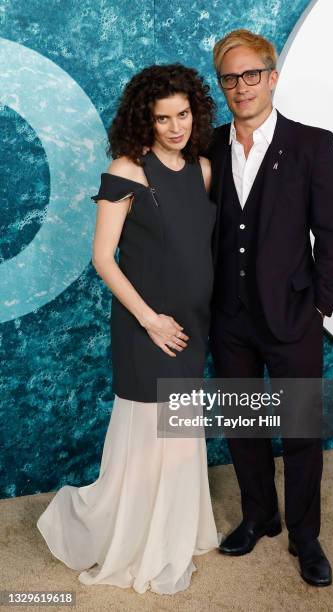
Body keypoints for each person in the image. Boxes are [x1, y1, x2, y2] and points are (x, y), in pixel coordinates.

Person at [37, 64, 221, 595]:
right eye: (163, 118)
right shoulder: (127, 169)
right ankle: (140, 538)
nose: (175, 127)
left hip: (192, 324)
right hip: (148, 325)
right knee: (150, 434)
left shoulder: (204, 169)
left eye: (183, 114)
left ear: (195, 113)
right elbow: (103, 258)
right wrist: (150, 320)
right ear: (146, 120)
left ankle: (178, 528)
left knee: (182, 434)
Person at [207, 29, 333, 587]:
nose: (241, 87)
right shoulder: (209, 145)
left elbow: (331, 231)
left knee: (300, 430)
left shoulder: (312, 144)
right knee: (243, 426)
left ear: (271, 76)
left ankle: (305, 536)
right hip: (229, 316)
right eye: (229, 78)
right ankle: (258, 515)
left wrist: (321, 304)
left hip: (293, 315)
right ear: (222, 85)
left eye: (250, 75)